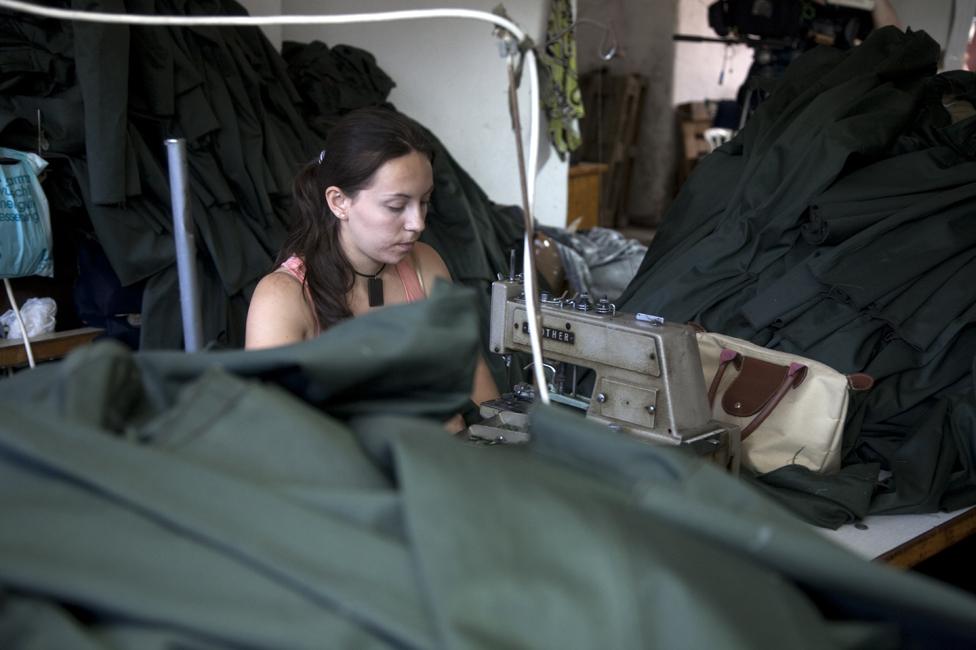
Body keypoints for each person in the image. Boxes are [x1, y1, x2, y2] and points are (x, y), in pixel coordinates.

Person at [245, 107, 499, 430]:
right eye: (396, 206)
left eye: (425, 202)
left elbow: (475, 384)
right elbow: (273, 437)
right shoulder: (281, 299)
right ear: (339, 202)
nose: (417, 223)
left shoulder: (425, 265)